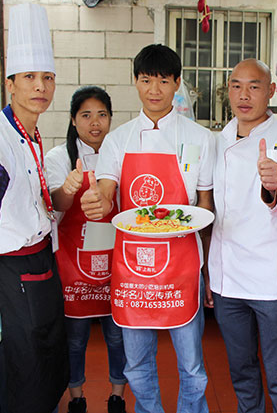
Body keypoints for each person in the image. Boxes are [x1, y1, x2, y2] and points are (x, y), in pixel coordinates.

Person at [81, 44, 215, 413]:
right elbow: (107, 192)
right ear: (135, 82)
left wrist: (208, 268)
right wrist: (97, 201)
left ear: (177, 83)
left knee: (192, 366)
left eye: (163, 81)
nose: (154, 90)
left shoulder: (200, 138)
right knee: (137, 364)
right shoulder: (118, 139)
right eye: (145, 80)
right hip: (133, 267)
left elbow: (204, 206)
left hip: (183, 265)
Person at [0, 3, 69, 413]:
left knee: (47, 365)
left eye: (47, 78)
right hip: (10, 274)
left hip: (41, 264)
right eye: (29, 77)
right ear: (11, 85)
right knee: (25, 375)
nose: (40, 86)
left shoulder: (33, 134)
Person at [207, 58, 277, 413]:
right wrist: (208, 273)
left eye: (254, 86)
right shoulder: (216, 141)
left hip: (271, 278)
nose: (244, 95)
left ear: (271, 91)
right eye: (236, 86)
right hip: (227, 277)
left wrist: (275, 186)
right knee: (241, 369)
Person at [45, 86, 128, 413]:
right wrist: (68, 188)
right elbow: (56, 204)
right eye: (86, 115)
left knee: (117, 337)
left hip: (115, 261)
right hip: (74, 262)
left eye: (102, 115)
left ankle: (118, 395)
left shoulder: (120, 152)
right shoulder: (58, 157)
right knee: (75, 339)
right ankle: (77, 397)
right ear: (72, 119)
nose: (95, 123)